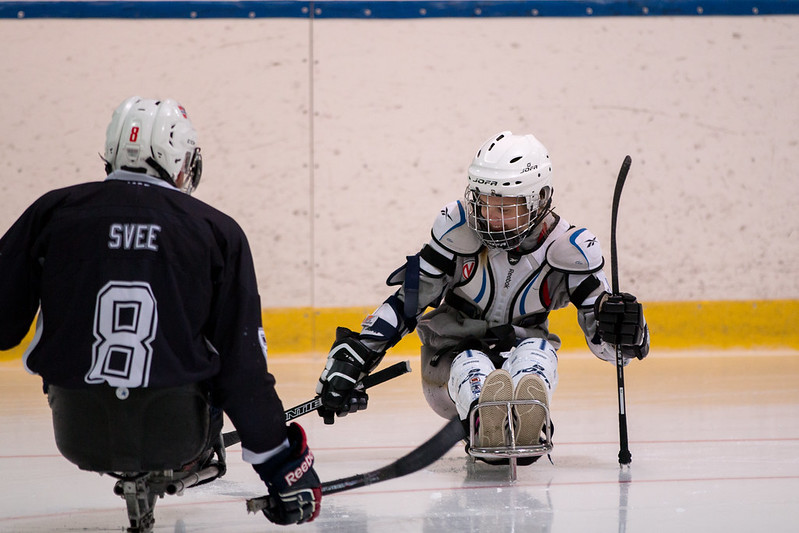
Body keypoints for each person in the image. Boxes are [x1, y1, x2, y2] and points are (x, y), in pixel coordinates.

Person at [0, 96, 320, 524]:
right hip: (177, 434)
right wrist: (283, 466)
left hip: (78, 430)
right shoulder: (216, 231)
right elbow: (242, 368)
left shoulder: (52, 213)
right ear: (181, 160)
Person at [316, 131, 649, 463]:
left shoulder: (570, 250)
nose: (491, 218)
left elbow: (609, 349)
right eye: (486, 204)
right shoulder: (456, 230)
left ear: (541, 197)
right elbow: (408, 302)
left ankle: (527, 417)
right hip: (448, 365)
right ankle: (483, 417)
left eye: (506, 208)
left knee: (537, 353)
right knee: (470, 363)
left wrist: (625, 332)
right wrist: (354, 358)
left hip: (521, 344)